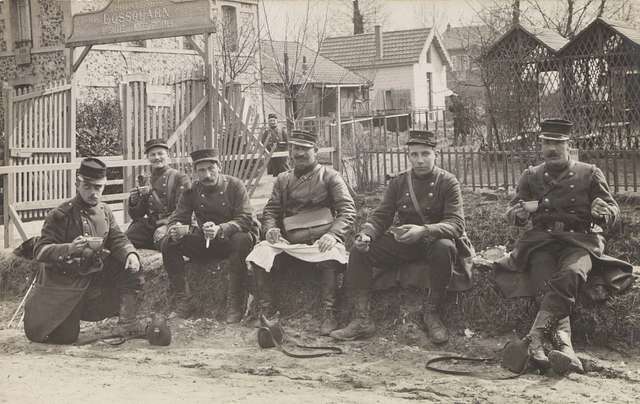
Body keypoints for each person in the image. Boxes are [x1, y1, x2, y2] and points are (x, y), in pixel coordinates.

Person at [494, 118, 635, 374]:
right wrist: (518, 214)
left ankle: (535, 340)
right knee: (544, 283)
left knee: (572, 273)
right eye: (547, 142)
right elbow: (513, 210)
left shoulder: (589, 173)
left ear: (569, 144)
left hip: (579, 241)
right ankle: (566, 347)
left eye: (558, 143)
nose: (552, 148)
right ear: (541, 145)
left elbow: (613, 210)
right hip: (542, 242)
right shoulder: (531, 175)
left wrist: (602, 211)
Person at [331, 130, 473, 344]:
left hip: (433, 241)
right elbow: (382, 215)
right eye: (414, 155)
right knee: (360, 252)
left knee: (446, 248)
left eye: (425, 154)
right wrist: (367, 234)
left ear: (436, 155)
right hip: (406, 240)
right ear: (408, 156)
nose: (420, 160)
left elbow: (456, 224)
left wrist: (424, 230)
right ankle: (362, 319)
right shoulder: (398, 183)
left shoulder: (448, 182)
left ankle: (432, 314)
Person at [247, 129, 356, 335]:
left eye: (304, 149)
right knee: (261, 252)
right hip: (290, 242)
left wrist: (332, 235)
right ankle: (267, 311)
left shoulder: (330, 176)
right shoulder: (283, 179)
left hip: (320, 241)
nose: (299, 153)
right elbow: (271, 210)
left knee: (331, 254)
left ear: (315, 150)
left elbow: (347, 210)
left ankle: (328, 312)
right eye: (295, 148)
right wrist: (271, 229)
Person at [24, 157, 143, 344]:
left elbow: (117, 238)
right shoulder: (60, 215)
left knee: (130, 266)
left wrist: (130, 253)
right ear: (77, 184)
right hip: (66, 284)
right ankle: (69, 316)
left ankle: (128, 323)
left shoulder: (105, 211)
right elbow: (40, 251)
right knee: (65, 338)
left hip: (95, 276)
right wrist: (69, 248)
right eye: (87, 186)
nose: (93, 193)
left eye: (98, 187)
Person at [162, 148, 259, 323]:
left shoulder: (235, 186)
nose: (207, 174)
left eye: (211, 168)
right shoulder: (191, 191)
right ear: (195, 172)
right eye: (201, 170)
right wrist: (174, 229)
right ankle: (184, 300)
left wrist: (221, 229)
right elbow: (177, 217)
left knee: (243, 239)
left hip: (230, 240)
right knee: (169, 243)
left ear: (219, 167)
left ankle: (235, 302)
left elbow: (246, 219)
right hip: (205, 241)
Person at [126, 138, 190, 250]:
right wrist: (134, 201)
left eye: (160, 153)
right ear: (148, 158)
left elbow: (184, 211)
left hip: (171, 223)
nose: (156, 158)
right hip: (150, 225)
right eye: (152, 154)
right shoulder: (146, 180)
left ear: (168, 155)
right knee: (123, 242)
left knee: (167, 245)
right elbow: (137, 215)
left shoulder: (180, 178)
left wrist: (167, 226)